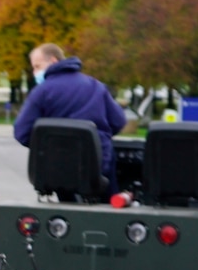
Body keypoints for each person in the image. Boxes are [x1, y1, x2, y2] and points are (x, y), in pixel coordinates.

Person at [12, 43, 128, 184]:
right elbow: (119, 121)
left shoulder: (41, 92)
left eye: (37, 66)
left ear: (53, 61)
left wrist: (48, 145)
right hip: (98, 165)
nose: (35, 73)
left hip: (55, 168)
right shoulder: (95, 86)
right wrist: (97, 139)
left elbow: (21, 132)